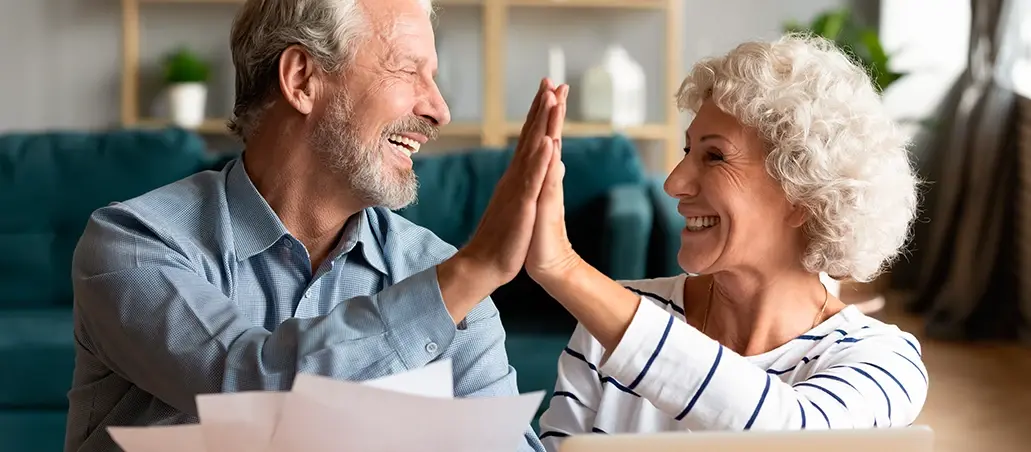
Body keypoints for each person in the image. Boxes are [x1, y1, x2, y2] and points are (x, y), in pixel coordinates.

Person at [64, 0, 568, 450]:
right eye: (407, 70)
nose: (439, 110)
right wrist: (471, 272)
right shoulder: (134, 243)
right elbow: (248, 385)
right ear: (302, 79)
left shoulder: (439, 274)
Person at [529, 35, 929, 450]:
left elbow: (798, 437)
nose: (674, 183)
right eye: (687, 150)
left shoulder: (883, 360)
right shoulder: (608, 323)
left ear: (804, 196)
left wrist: (564, 269)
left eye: (715, 156)